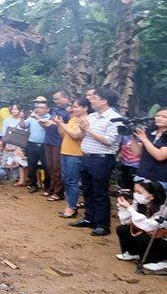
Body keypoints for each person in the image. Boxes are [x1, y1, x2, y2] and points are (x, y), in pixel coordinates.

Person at [70, 87, 122, 237]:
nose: (91, 100)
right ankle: (89, 218)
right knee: (87, 190)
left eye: (94, 98)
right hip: (86, 157)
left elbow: (109, 141)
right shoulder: (92, 117)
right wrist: (81, 128)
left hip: (102, 159)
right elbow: (81, 134)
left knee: (100, 192)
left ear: (104, 101)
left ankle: (102, 225)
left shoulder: (114, 118)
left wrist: (88, 130)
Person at [115, 180, 167, 271]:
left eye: (139, 192)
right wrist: (123, 207)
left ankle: (156, 261)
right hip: (152, 238)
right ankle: (132, 253)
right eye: (135, 191)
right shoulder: (140, 205)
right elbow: (125, 221)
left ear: (152, 196)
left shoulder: (166, 211)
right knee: (122, 229)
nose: (136, 194)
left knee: (143, 237)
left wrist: (129, 208)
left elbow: (149, 226)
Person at [129, 108, 167, 192]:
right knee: (139, 203)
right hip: (142, 175)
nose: (159, 118)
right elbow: (136, 152)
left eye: (164, 117)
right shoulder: (150, 133)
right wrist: (132, 137)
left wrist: (144, 139)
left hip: (161, 180)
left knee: (156, 204)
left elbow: (160, 156)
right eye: (157, 116)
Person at [53, 98, 88, 218]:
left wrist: (61, 124)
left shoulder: (85, 121)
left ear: (85, 108)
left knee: (72, 181)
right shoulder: (73, 119)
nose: (73, 109)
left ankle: (72, 207)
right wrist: (59, 124)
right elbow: (63, 134)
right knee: (67, 180)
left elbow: (75, 135)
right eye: (73, 107)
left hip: (76, 154)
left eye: (76, 106)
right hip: (66, 151)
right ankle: (70, 205)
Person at [41, 90, 70, 201]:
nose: (55, 101)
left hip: (59, 142)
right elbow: (49, 123)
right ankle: (52, 188)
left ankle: (59, 192)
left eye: (57, 99)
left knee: (58, 168)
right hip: (48, 141)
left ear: (65, 98)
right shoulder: (55, 110)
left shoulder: (69, 111)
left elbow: (68, 127)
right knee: (51, 167)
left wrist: (58, 123)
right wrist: (43, 123)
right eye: (54, 99)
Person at [20, 98, 50, 193]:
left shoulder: (49, 118)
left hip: (45, 146)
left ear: (47, 109)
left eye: (41, 107)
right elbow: (23, 125)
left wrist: (36, 117)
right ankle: (33, 184)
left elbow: (46, 126)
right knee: (31, 166)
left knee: (47, 166)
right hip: (31, 144)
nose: (39, 109)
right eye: (37, 107)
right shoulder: (31, 117)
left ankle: (47, 185)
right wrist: (21, 118)